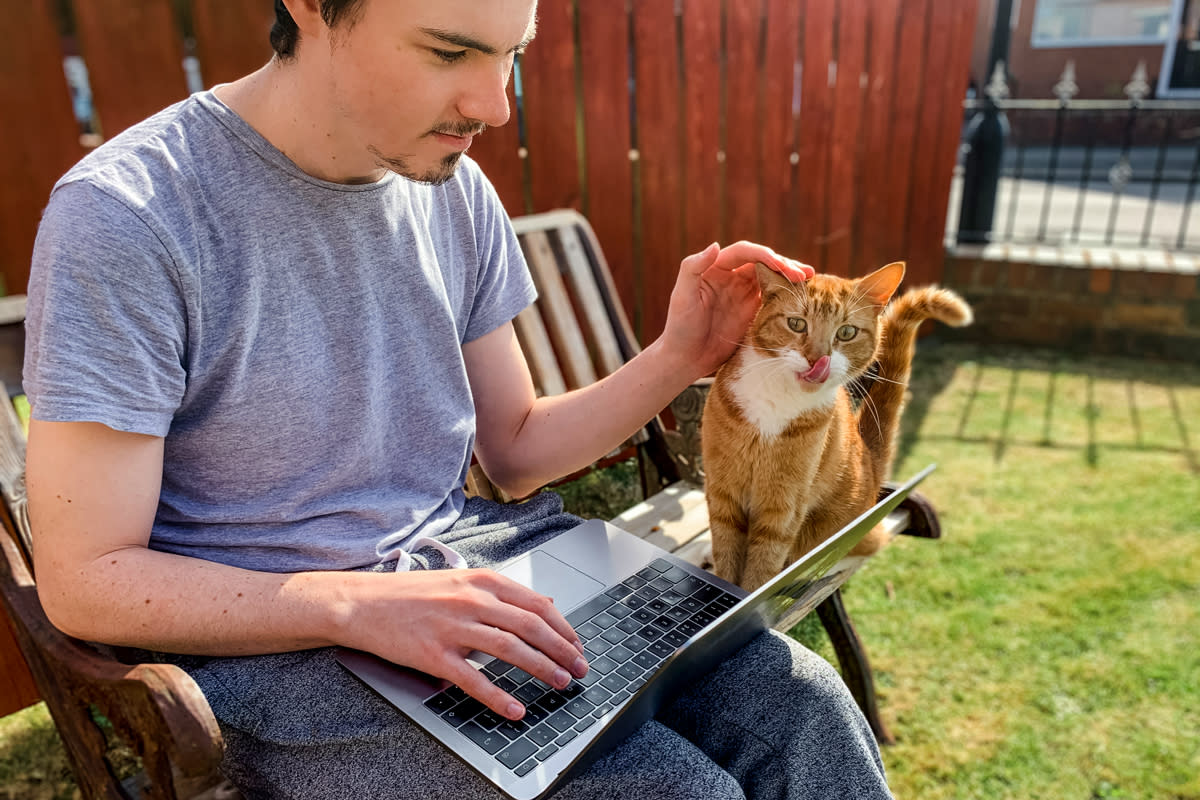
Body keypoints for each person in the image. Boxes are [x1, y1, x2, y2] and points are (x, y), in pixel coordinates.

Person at [23, 1, 895, 798]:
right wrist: (355, 606)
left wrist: (680, 355)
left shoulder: (453, 190)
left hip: (480, 567)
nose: (496, 104)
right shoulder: (130, 214)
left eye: (512, 54)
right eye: (450, 51)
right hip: (279, 651)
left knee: (805, 712)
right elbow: (85, 581)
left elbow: (513, 449)